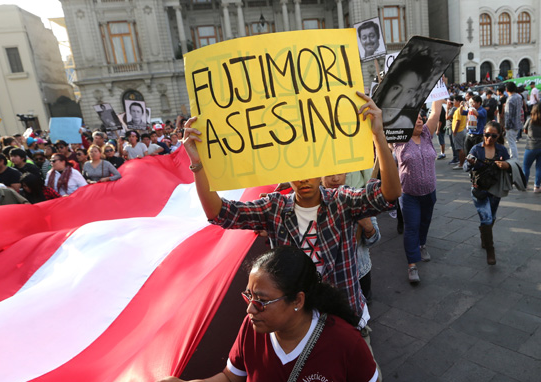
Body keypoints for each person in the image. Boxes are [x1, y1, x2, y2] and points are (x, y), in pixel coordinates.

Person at [181, 91, 401, 335]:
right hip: (295, 328)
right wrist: (197, 164)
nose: (303, 178)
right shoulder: (274, 207)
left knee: (368, 374)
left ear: (322, 168)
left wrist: (378, 136)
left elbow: (388, 194)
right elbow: (220, 214)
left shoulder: (343, 201)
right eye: (296, 170)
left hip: (345, 320)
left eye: (310, 168)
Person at [141, 247, 392, 382]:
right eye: (248, 296)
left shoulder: (344, 342)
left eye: (261, 301)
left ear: (298, 300)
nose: (250, 309)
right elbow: (231, 381)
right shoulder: (252, 328)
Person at [394, 99, 444, 284]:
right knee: (411, 228)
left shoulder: (427, 135)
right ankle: (412, 265)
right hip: (409, 195)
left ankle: (422, 245)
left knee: (425, 222)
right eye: (414, 119)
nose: (420, 120)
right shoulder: (399, 140)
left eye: (420, 117)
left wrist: (439, 90)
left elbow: (436, 112)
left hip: (429, 192)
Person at [322, 173, 380, 301]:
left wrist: (368, 226)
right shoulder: (313, 204)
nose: (335, 178)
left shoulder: (357, 200)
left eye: (339, 173)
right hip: (326, 278)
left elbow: (374, 239)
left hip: (359, 271)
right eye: (329, 174)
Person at [463, 121, 512, 265]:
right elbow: (465, 167)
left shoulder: (502, 150)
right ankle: (490, 250)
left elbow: (511, 166)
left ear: (498, 136)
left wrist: (506, 165)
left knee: (492, 216)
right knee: (486, 218)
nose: (489, 138)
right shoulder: (476, 149)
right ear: (483, 133)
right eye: (487, 134)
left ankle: (484, 236)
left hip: (495, 189)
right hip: (479, 190)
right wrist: (470, 163)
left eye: (493, 136)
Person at [375, 54, 433, 129]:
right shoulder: (369, 119)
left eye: (409, 92)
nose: (397, 100)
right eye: (396, 88)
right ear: (385, 88)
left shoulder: (407, 124)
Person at [523, 103, 541, 193]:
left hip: (530, 146)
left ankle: (524, 185)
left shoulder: (530, 120)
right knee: (539, 167)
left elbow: (525, 130)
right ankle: (537, 187)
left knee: (526, 166)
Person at [504, 81, 523, 161]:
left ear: (507, 89)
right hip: (517, 123)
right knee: (513, 142)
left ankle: (514, 158)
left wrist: (507, 126)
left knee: (511, 143)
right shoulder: (519, 97)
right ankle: (514, 158)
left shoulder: (510, 99)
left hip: (511, 125)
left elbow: (509, 115)